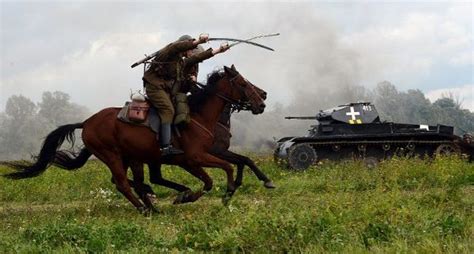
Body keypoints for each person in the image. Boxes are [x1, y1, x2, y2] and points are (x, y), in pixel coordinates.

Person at [143, 34, 229, 156]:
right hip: (154, 87)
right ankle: (165, 147)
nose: (192, 51)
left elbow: (197, 58)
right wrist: (199, 41)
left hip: (163, 88)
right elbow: (177, 47)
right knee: (168, 110)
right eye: (190, 48)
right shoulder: (169, 51)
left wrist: (219, 50)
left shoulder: (180, 61)